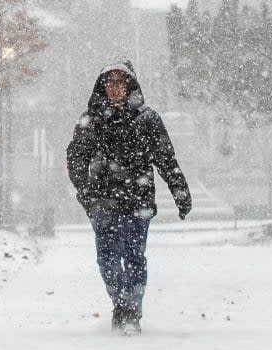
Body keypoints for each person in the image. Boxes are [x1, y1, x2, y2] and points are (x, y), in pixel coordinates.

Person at [66, 57, 192, 334]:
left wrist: (180, 192)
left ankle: (132, 310)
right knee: (108, 258)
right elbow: (75, 158)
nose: (115, 88)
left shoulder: (147, 119)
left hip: (138, 200)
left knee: (134, 255)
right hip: (103, 200)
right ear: (102, 86)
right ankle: (121, 304)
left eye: (121, 82)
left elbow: (166, 159)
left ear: (130, 85)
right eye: (110, 82)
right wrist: (85, 191)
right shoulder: (91, 121)